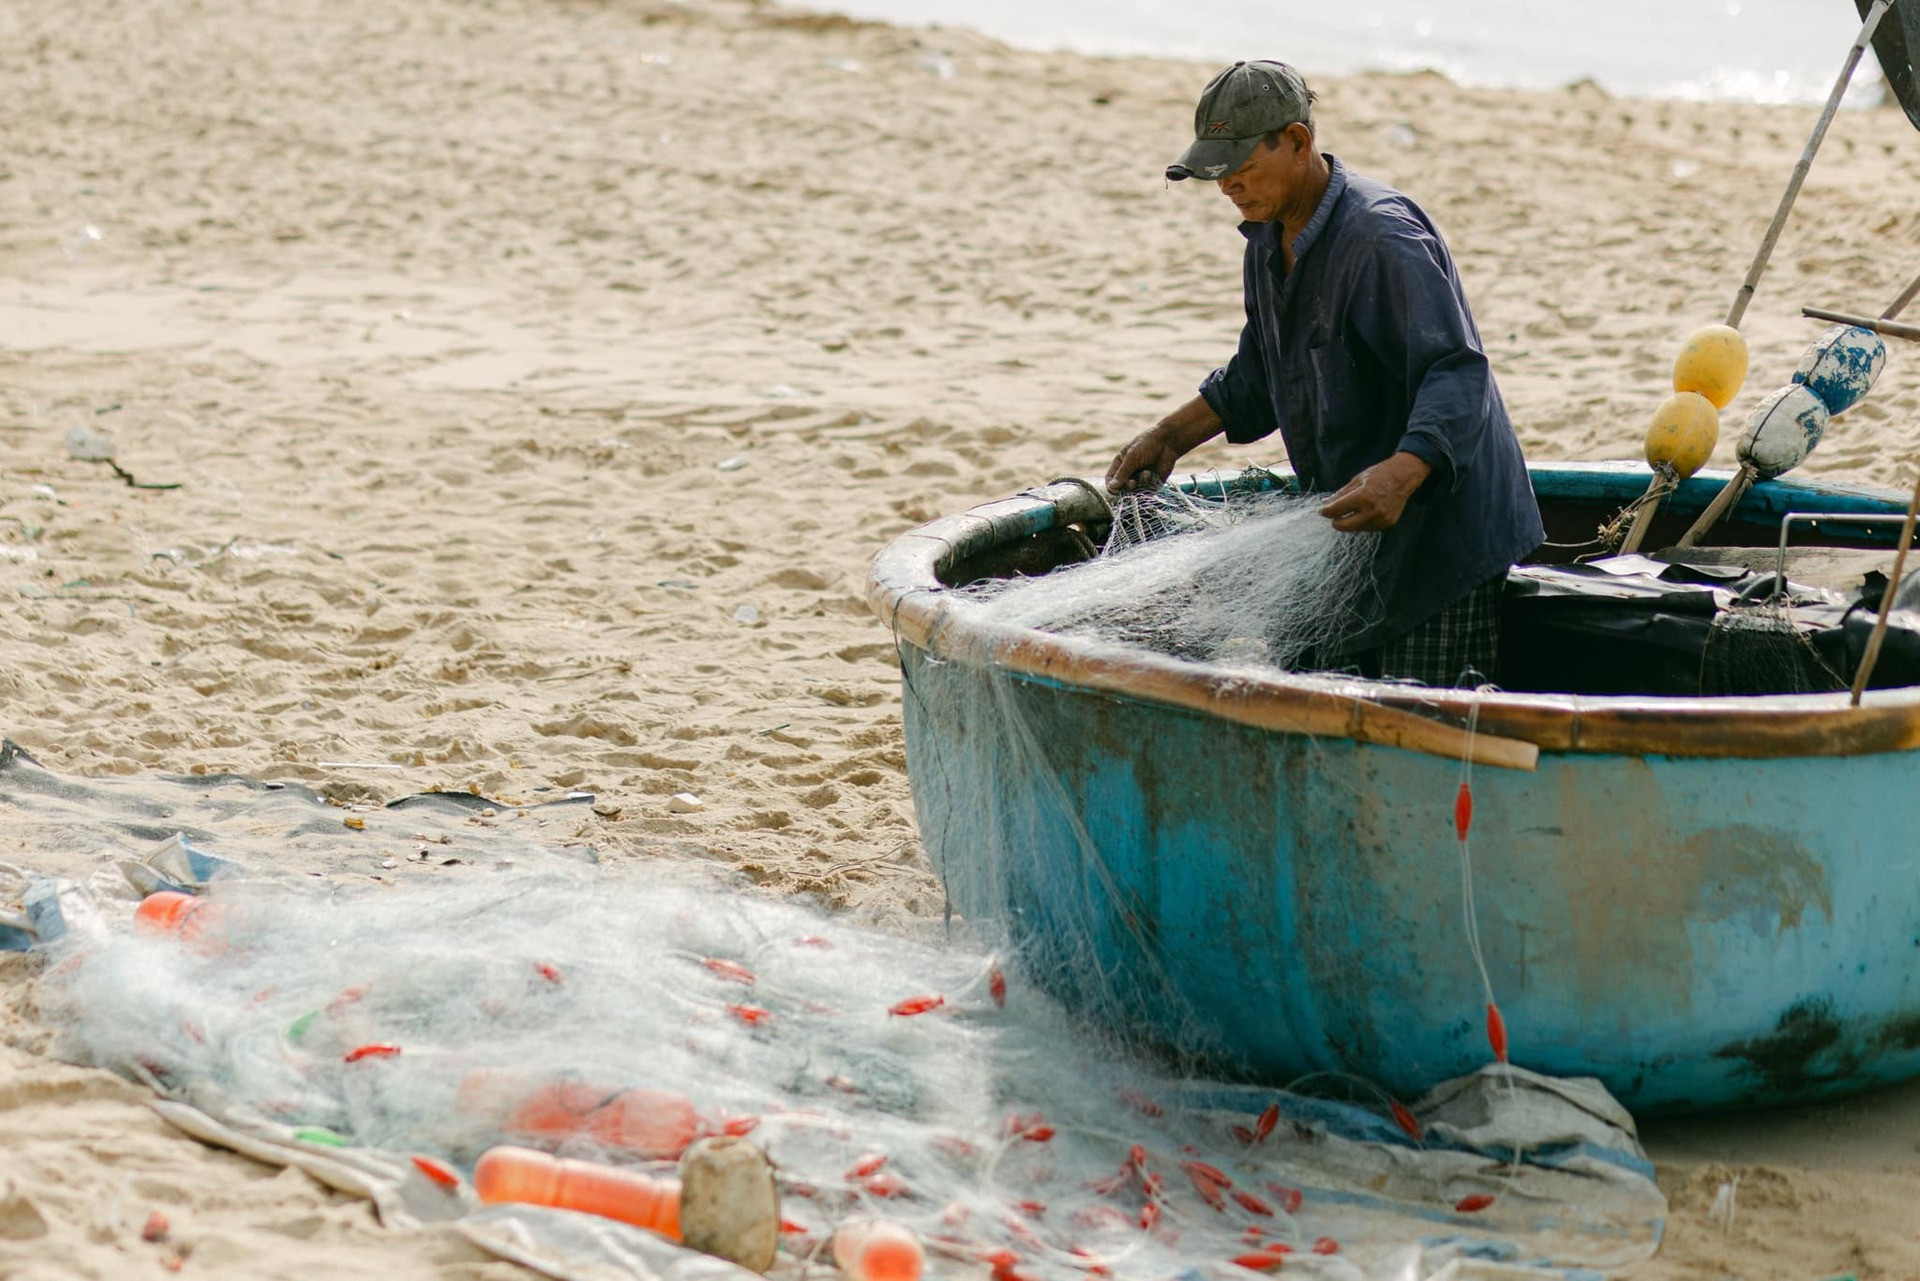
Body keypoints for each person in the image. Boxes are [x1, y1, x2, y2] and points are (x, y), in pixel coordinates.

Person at [1106, 60, 1544, 687]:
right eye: (1218, 172)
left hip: (1439, 533)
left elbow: (1456, 374)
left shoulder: (1380, 237)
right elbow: (1261, 375)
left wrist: (1404, 471)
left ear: (1298, 141)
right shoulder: (1267, 240)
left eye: (1243, 167)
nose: (1229, 185)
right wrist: (1169, 437)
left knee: (1417, 729)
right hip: (1352, 525)